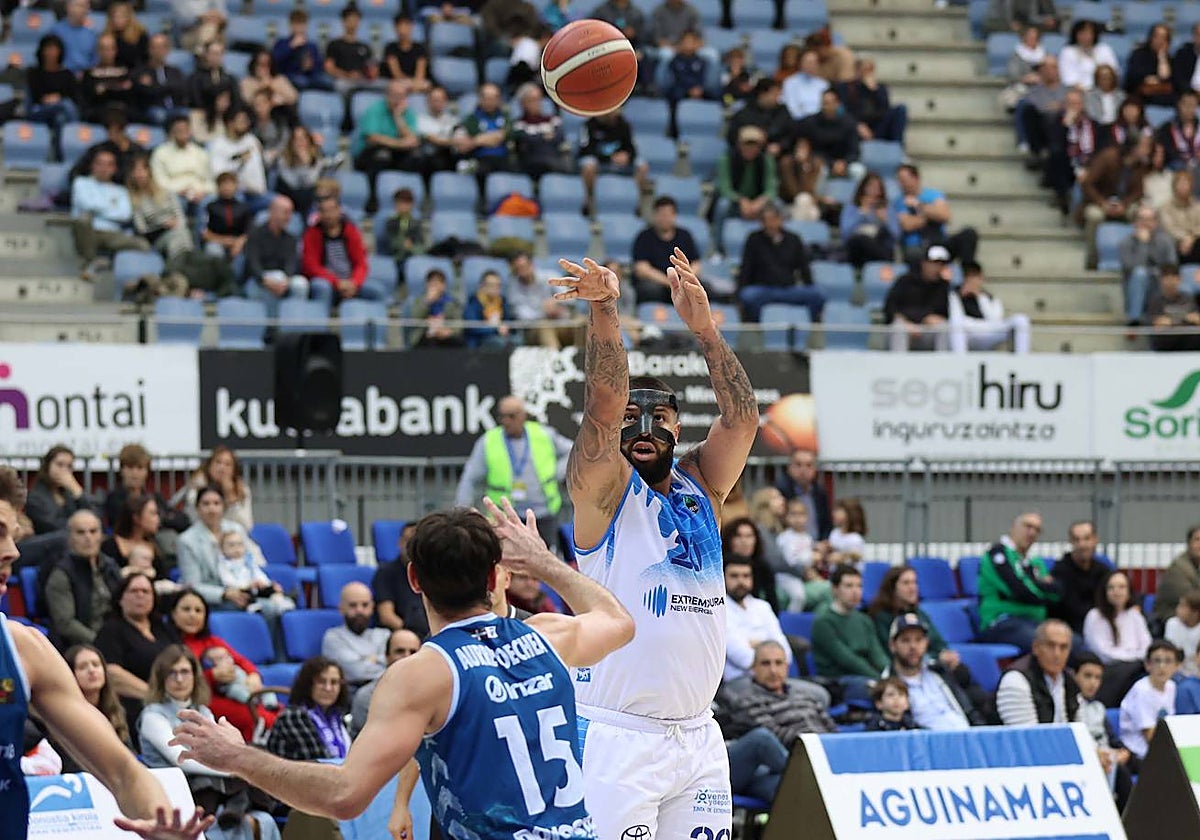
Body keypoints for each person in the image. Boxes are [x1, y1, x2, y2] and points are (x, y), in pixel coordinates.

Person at [170, 500, 634, 835]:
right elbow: (619, 622)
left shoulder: (423, 673)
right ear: (496, 577)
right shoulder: (548, 635)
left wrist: (237, 757)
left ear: (414, 579)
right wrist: (543, 561)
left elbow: (343, 796)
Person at [552, 243, 758, 840]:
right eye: (631, 418)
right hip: (618, 736)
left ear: (677, 426)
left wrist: (706, 330)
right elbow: (602, 405)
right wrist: (605, 309)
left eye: (659, 418)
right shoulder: (602, 490)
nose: (642, 426)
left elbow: (743, 419)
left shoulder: (702, 485)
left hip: (697, 735)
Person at [0, 465, 215, 838]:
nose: (12, 551)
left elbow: (123, 771)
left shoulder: (24, 650)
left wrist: (160, 820)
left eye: (13, 536)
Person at [139, 646, 279, 840]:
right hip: (177, 795)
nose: (179, 679)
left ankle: (239, 807)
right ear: (161, 678)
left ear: (195, 676)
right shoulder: (152, 715)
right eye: (172, 673)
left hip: (213, 789)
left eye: (185, 672)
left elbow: (219, 750)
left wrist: (238, 767)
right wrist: (236, 769)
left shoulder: (203, 711)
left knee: (264, 820)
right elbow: (182, 760)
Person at [455, 394, 572, 548]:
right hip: (505, 518)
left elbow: (573, 451)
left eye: (511, 416)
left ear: (523, 415)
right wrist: (461, 512)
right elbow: (469, 478)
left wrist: (557, 472)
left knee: (546, 555)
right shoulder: (488, 441)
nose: (506, 421)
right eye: (502, 416)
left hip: (544, 513)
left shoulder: (543, 434)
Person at [167, 590, 277, 743]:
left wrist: (253, 675)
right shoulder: (171, 646)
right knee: (256, 717)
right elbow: (180, 680)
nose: (193, 615)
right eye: (186, 609)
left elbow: (241, 661)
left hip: (234, 692)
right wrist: (212, 676)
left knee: (278, 711)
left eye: (198, 611)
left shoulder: (213, 641)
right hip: (203, 700)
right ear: (173, 613)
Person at [715, 640, 836, 751]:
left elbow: (831, 728)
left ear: (786, 667)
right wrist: (820, 743)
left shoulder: (806, 696)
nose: (773, 670)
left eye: (778, 663)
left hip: (825, 750)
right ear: (753, 668)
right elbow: (777, 736)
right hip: (795, 756)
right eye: (765, 664)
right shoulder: (747, 701)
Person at [884, 613, 985, 730]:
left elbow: (970, 705)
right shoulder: (888, 685)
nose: (913, 646)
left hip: (967, 734)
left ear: (926, 643)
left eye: (918, 640)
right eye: (906, 640)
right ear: (892, 645)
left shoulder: (939, 671)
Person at [95, 571, 173, 724]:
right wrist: (156, 696)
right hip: (135, 704)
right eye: (133, 591)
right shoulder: (111, 629)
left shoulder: (162, 627)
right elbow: (112, 674)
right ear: (120, 598)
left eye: (146, 591)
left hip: (172, 699)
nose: (140, 595)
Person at [978, 511, 1059, 654]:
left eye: (1037, 530)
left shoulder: (1035, 561)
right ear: (1013, 527)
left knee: (1074, 643)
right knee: (1049, 646)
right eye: (1028, 526)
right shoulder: (997, 554)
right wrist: (1039, 586)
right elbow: (1019, 590)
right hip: (1003, 622)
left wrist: (1031, 584)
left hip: (1034, 622)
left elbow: (1056, 593)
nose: (1032, 533)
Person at [44, 510, 123, 648]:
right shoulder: (61, 574)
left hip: (117, 639)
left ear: (101, 536)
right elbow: (65, 623)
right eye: (80, 532)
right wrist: (100, 642)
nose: (88, 537)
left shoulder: (110, 567)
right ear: (70, 538)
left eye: (93, 531)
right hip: (82, 646)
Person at [71, 148, 151, 282]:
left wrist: (98, 209)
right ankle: (91, 261)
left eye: (109, 165)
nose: (104, 168)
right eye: (100, 163)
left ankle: (105, 262)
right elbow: (86, 205)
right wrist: (111, 206)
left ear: (114, 169)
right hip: (89, 231)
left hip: (112, 233)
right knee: (83, 219)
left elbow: (125, 214)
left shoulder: (120, 190)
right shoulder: (81, 183)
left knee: (143, 245)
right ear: (93, 166)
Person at [177, 487, 263, 611]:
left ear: (224, 506)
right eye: (206, 504)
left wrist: (263, 583)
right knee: (268, 609)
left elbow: (250, 563)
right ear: (197, 508)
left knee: (278, 605)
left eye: (216, 503)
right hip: (212, 599)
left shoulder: (236, 529)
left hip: (245, 590)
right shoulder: (186, 540)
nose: (212, 509)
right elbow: (192, 585)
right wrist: (224, 594)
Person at [736, 202, 823, 324]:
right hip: (764, 290)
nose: (771, 224)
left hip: (788, 289)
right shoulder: (753, 239)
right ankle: (758, 325)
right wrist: (740, 291)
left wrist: (809, 284)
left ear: (780, 219)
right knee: (748, 295)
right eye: (767, 220)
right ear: (762, 222)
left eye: (774, 219)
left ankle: (806, 324)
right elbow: (746, 268)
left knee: (817, 294)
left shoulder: (794, 239)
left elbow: (804, 267)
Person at [812, 564, 888, 701]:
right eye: (849, 586)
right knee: (884, 693)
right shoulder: (823, 622)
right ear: (835, 590)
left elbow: (877, 653)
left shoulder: (864, 620)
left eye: (859, 586)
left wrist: (890, 673)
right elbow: (847, 660)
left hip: (864, 676)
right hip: (837, 681)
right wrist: (881, 680)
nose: (855, 591)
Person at [53, 644, 133, 771]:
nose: (91, 670)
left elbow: (128, 757)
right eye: (82, 667)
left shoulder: (117, 711)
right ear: (70, 674)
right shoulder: (61, 716)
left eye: (96, 665)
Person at [1080, 134, 1153, 269]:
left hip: (1124, 204)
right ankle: (1093, 259)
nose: (1148, 150)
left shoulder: (1141, 165)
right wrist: (1102, 203)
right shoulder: (1108, 157)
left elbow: (1138, 191)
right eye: (1144, 146)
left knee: (1141, 214)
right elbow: (1088, 184)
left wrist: (1124, 204)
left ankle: (1136, 259)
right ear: (1133, 147)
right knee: (1094, 216)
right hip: (1100, 202)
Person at [1073, 653, 1134, 809]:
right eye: (1087, 676)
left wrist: (1124, 752)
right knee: (1121, 772)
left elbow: (1113, 739)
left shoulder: (1099, 707)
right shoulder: (1070, 705)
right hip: (1087, 757)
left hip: (1108, 757)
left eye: (1097, 678)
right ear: (1074, 676)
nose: (1093, 683)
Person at [1084, 569, 1152, 706]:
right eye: (1111, 587)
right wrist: (1133, 657)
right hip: (1109, 669)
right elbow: (1103, 652)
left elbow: (1147, 646)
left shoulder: (1135, 615)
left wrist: (1134, 659)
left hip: (1136, 668)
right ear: (1104, 591)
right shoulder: (1095, 616)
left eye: (1122, 587)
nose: (1117, 591)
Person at [353, 79, 420, 212]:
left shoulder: (408, 113)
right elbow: (373, 137)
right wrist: (399, 143)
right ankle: (372, 198)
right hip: (369, 154)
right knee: (382, 155)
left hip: (395, 153)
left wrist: (398, 118)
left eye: (401, 96)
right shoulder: (375, 110)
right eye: (395, 95)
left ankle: (405, 200)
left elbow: (413, 140)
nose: (398, 100)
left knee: (416, 157)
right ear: (387, 95)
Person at [266, 657, 351, 762]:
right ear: (308, 685)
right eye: (321, 681)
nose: (328, 688)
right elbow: (316, 761)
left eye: (334, 682)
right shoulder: (293, 717)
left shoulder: (337, 717)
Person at [303, 193, 379, 307]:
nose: (328, 215)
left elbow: (361, 263)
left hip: (351, 281)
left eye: (331, 210)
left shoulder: (351, 231)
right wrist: (336, 282)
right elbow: (311, 266)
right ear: (319, 214)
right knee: (322, 287)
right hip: (327, 282)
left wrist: (354, 282)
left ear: (339, 210)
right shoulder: (311, 234)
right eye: (324, 211)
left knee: (376, 291)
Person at [893, 163, 978, 265]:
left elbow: (945, 216)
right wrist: (932, 216)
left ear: (915, 178)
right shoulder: (899, 202)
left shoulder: (934, 195)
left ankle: (968, 270)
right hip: (918, 247)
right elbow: (907, 225)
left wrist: (919, 206)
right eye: (899, 180)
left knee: (969, 234)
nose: (901, 184)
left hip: (940, 242)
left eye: (903, 180)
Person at [996, 619, 1077, 725]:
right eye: (1050, 645)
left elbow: (1081, 727)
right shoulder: (1015, 680)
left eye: (1063, 647)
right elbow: (1026, 733)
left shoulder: (1069, 679)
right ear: (1036, 647)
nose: (1057, 654)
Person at [724, 554, 792, 681]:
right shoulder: (719, 611)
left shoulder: (763, 606)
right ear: (723, 578)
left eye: (746, 576)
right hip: (740, 680)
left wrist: (755, 645)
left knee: (817, 692)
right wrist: (768, 645)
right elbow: (744, 658)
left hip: (776, 679)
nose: (741, 581)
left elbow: (786, 654)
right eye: (734, 576)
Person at [103, 443, 190, 535]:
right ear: (122, 470)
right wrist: (163, 519)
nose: (135, 473)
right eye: (130, 467)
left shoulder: (155, 497)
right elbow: (127, 525)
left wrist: (158, 520)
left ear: (147, 472)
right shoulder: (114, 499)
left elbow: (183, 521)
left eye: (140, 468)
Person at [243, 195, 309, 316]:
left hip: (283, 279)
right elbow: (252, 263)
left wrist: (286, 280)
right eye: (286, 213)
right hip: (258, 279)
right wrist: (265, 280)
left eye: (290, 213)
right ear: (272, 212)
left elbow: (292, 263)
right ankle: (271, 325)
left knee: (300, 284)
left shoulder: (291, 238)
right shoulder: (255, 235)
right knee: (273, 280)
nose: (289, 217)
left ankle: (294, 322)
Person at [948, 260, 1033, 353]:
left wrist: (979, 296)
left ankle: (1022, 358)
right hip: (970, 331)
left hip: (989, 331)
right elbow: (955, 318)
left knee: (1021, 319)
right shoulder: (955, 296)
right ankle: (959, 357)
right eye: (968, 277)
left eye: (974, 276)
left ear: (981, 278)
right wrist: (961, 295)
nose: (971, 280)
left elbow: (995, 320)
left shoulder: (990, 298)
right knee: (957, 322)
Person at [631, 195, 703, 304]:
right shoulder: (644, 237)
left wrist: (686, 280)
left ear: (675, 215)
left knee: (702, 289)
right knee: (649, 290)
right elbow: (642, 269)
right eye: (661, 214)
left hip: (683, 282)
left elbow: (696, 264)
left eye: (668, 214)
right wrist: (670, 283)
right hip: (657, 283)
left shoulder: (685, 236)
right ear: (654, 215)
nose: (665, 218)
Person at [714, 125, 779, 243]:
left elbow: (771, 189)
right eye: (747, 144)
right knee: (723, 205)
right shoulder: (727, 159)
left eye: (754, 145)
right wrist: (741, 200)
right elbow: (725, 188)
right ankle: (718, 245)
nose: (750, 148)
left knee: (778, 206)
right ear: (739, 145)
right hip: (736, 203)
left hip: (758, 203)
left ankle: (775, 242)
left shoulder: (767, 160)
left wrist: (760, 201)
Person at [349, 629, 420, 736]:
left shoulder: (432, 693)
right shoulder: (367, 697)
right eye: (400, 651)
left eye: (413, 652)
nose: (407, 657)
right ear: (387, 657)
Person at [322, 581, 391, 690]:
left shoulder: (384, 635)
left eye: (365, 605)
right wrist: (381, 661)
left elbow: (396, 665)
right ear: (341, 608)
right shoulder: (333, 638)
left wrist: (365, 659)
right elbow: (356, 672)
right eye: (353, 605)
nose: (359, 610)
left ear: (372, 607)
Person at [1119, 640, 1182, 759]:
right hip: (1137, 754)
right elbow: (1150, 737)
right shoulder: (1142, 690)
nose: (1162, 666)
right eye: (1157, 661)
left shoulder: (1171, 686)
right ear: (1147, 664)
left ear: (1176, 666)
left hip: (1162, 749)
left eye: (1168, 661)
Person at [884, 243, 952, 351]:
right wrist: (908, 322)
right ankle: (898, 361)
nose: (937, 268)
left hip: (928, 331)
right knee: (899, 328)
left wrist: (933, 319)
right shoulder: (904, 281)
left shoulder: (944, 286)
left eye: (941, 264)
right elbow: (890, 308)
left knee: (943, 327)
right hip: (905, 327)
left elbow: (944, 313)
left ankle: (942, 360)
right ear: (924, 263)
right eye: (934, 264)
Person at [128, 153, 194, 262]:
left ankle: (179, 267)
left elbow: (180, 216)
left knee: (182, 234)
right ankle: (184, 266)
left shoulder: (166, 192)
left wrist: (177, 225)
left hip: (178, 230)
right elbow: (141, 229)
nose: (140, 174)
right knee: (178, 238)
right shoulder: (133, 199)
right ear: (131, 175)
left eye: (143, 170)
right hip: (157, 237)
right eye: (136, 171)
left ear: (149, 172)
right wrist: (162, 225)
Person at [579, 107, 650, 204]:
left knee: (642, 165)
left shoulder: (624, 125)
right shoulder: (589, 125)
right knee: (588, 165)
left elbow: (632, 149)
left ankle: (640, 202)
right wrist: (610, 158)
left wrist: (627, 156)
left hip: (620, 162)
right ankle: (590, 199)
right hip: (599, 161)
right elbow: (585, 150)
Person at [25, 445, 100, 535]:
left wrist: (78, 492)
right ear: (48, 466)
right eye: (59, 465)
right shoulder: (35, 496)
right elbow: (50, 525)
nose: (64, 470)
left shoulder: (70, 493)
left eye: (69, 466)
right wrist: (78, 525)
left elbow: (95, 517)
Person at [1050, 520, 1109, 634]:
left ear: (1095, 540)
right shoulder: (1060, 571)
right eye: (1076, 539)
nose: (1082, 545)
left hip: (1099, 625)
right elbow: (1071, 609)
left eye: (1087, 538)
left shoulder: (1102, 569)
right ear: (1071, 542)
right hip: (1070, 629)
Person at [26, 34, 80, 156]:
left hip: (60, 111)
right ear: (42, 51)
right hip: (38, 110)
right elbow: (35, 96)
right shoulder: (34, 73)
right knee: (65, 105)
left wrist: (57, 98)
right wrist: (54, 99)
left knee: (60, 118)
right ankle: (76, 129)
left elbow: (74, 96)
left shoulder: (67, 74)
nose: (51, 53)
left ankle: (59, 154)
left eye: (54, 49)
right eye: (48, 49)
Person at [835, 56, 906, 144]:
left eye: (870, 70)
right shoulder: (847, 87)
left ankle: (896, 146)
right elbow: (844, 110)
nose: (867, 73)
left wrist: (874, 91)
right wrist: (857, 124)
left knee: (900, 109)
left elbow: (884, 110)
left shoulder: (880, 89)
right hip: (857, 126)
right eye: (865, 70)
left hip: (877, 126)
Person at [151, 115, 214, 212]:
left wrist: (203, 192)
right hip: (174, 193)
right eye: (179, 130)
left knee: (210, 201)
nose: (182, 132)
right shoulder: (160, 153)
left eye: (185, 129)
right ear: (172, 132)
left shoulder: (200, 153)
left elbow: (210, 180)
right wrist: (178, 190)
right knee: (176, 202)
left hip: (199, 192)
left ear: (190, 131)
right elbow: (159, 181)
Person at [371, 522, 426, 635]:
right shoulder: (386, 572)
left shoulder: (432, 572)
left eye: (415, 542)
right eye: (407, 541)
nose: (410, 547)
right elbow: (386, 616)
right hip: (402, 634)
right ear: (400, 542)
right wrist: (412, 634)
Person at [796, 88, 862, 181]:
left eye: (828, 103)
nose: (825, 106)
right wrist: (831, 163)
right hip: (823, 162)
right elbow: (813, 149)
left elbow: (854, 150)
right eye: (824, 103)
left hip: (845, 162)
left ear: (837, 104)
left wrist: (844, 163)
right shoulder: (812, 122)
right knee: (818, 169)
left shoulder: (848, 123)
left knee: (859, 171)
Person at [184, 447, 253, 532]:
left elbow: (246, 526)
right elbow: (192, 519)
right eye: (218, 462)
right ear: (209, 466)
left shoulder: (242, 490)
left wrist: (231, 498)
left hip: (233, 535)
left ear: (234, 470)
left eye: (227, 464)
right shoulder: (197, 486)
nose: (222, 468)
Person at [722, 516, 782, 614]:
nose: (744, 541)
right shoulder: (717, 568)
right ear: (729, 539)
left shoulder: (764, 568)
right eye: (738, 536)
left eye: (749, 536)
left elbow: (773, 602)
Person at [511, 83, 572, 179]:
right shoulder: (519, 123)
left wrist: (537, 138)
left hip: (554, 158)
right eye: (533, 100)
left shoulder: (553, 120)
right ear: (523, 103)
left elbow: (560, 137)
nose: (538, 103)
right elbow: (525, 140)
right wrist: (546, 137)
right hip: (531, 161)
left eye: (539, 99)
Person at [453, 83, 513, 178]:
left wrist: (479, 140)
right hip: (480, 159)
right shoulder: (472, 119)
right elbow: (466, 143)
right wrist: (491, 138)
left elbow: (505, 135)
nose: (490, 102)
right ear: (480, 99)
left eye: (493, 99)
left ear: (499, 100)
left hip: (503, 159)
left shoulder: (505, 117)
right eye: (487, 98)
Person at [840, 172, 898, 268]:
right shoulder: (851, 207)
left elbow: (895, 236)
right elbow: (845, 234)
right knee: (858, 240)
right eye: (870, 186)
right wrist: (861, 214)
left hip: (880, 246)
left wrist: (885, 221)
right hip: (856, 248)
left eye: (877, 187)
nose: (873, 191)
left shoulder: (887, 208)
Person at [102, 493, 167, 577]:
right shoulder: (110, 546)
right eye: (153, 513)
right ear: (136, 517)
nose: (157, 519)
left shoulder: (155, 547)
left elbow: (163, 578)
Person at [133, 33, 190, 126]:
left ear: (167, 50)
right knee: (159, 115)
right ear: (149, 49)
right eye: (155, 47)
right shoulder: (141, 72)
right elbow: (147, 92)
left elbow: (181, 89)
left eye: (163, 47)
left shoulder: (175, 71)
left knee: (185, 114)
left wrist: (158, 87)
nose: (159, 51)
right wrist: (168, 87)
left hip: (175, 107)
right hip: (154, 109)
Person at [774, 449, 831, 539]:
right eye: (798, 465)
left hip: (817, 543)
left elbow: (826, 523)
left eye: (809, 465)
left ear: (815, 469)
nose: (803, 470)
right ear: (789, 468)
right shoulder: (781, 492)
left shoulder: (820, 493)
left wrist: (824, 540)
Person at [272, 9, 331, 91]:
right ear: (290, 25)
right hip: (290, 76)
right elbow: (275, 60)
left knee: (327, 81)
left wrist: (311, 66)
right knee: (301, 81)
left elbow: (319, 67)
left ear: (306, 25)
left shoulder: (312, 45)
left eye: (302, 24)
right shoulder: (282, 43)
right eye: (296, 24)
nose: (299, 28)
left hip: (310, 77)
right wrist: (291, 46)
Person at [324, 5, 378, 94]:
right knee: (341, 85)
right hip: (342, 81)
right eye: (350, 19)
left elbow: (372, 69)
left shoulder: (365, 46)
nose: (353, 22)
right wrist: (347, 75)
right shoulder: (334, 44)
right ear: (344, 21)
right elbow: (329, 67)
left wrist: (363, 74)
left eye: (356, 19)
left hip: (362, 81)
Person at [1145, 265, 1200, 351]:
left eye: (1173, 278)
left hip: (1188, 341)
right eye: (1167, 278)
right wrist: (1185, 318)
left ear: (1179, 279)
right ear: (1161, 280)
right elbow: (1159, 324)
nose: (1170, 282)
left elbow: (1196, 319)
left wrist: (1171, 321)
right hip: (1165, 343)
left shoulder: (1188, 298)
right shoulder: (1155, 301)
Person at [409, 268, 465, 348]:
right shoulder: (419, 301)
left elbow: (458, 323)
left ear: (444, 285)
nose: (435, 285)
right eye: (432, 282)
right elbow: (414, 318)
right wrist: (427, 302)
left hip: (445, 334)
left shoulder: (452, 302)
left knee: (459, 343)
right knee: (430, 343)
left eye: (438, 282)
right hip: (425, 335)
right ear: (427, 284)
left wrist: (448, 331)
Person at [1154, 525, 1200, 623]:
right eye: (1197, 540)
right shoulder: (1177, 569)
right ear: (1189, 544)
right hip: (1171, 619)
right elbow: (1192, 600)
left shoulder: (1196, 565)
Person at [463, 270, 519, 349]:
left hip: (501, 335)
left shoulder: (502, 301)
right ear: (482, 286)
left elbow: (508, 320)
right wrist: (495, 329)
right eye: (491, 285)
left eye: (498, 285)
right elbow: (472, 326)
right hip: (481, 339)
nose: (495, 288)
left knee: (518, 340)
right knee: (498, 343)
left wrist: (507, 328)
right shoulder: (474, 302)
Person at [1126, 23, 1177, 107]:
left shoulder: (1169, 58)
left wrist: (1162, 57)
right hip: (1141, 93)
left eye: (1163, 38)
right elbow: (1132, 76)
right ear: (1150, 38)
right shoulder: (1138, 54)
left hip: (1162, 94)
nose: (1160, 41)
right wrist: (1146, 78)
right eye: (1156, 37)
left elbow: (1166, 77)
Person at [379, 187, 425, 271]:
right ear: (395, 204)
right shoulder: (390, 222)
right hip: (393, 259)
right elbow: (389, 243)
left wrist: (411, 247)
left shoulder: (416, 223)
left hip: (412, 259)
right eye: (400, 203)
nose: (403, 206)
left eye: (407, 203)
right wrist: (403, 244)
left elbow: (421, 245)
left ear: (412, 204)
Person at [1160, 170, 1200, 264]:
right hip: (1175, 244)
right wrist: (1184, 237)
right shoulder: (1165, 208)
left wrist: (1191, 237)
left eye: (1186, 183)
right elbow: (1169, 228)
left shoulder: (1197, 206)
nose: (1184, 187)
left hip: (1195, 242)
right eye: (1180, 183)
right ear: (1174, 186)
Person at [382, 14, 430, 89]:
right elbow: (396, 74)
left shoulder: (420, 48)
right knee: (396, 86)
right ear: (395, 28)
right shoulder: (390, 48)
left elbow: (420, 74)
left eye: (406, 25)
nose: (403, 29)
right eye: (400, 25)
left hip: (417, 83)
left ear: (411, 26)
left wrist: (414, 84)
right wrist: (408, 84)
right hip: (399, 83)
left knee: (427, 85)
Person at [51, 0, 97, 74]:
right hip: (60, 75)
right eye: (80, 5)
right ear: (68, 7)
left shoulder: (91, 34)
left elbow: (94, 61)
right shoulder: (55, 31)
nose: (83, 10)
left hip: (85, 76)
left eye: (86, 7)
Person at [780, 49, 828, 121]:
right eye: (808, 62)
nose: (811, 66)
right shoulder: (790, 82)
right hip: (797, 121)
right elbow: (791, 107)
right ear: (800, 63)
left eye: (814, 63)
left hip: (820, 122)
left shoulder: (824, 84)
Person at [1167, 591, 1200, 676]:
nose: (1177, 609)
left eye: (1183, 606)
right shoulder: (1172, 623)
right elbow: (1170, 651)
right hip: (1177, 672)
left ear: (1195, 612)